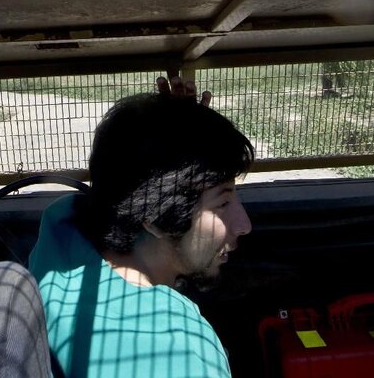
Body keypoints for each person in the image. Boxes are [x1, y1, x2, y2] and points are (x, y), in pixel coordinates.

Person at [28, 76, 255, 377]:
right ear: (155, 217)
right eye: (222, 204)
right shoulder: (185, 353)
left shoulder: (61, 225)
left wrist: (175, 139)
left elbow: (118, 184)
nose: (244, 225)